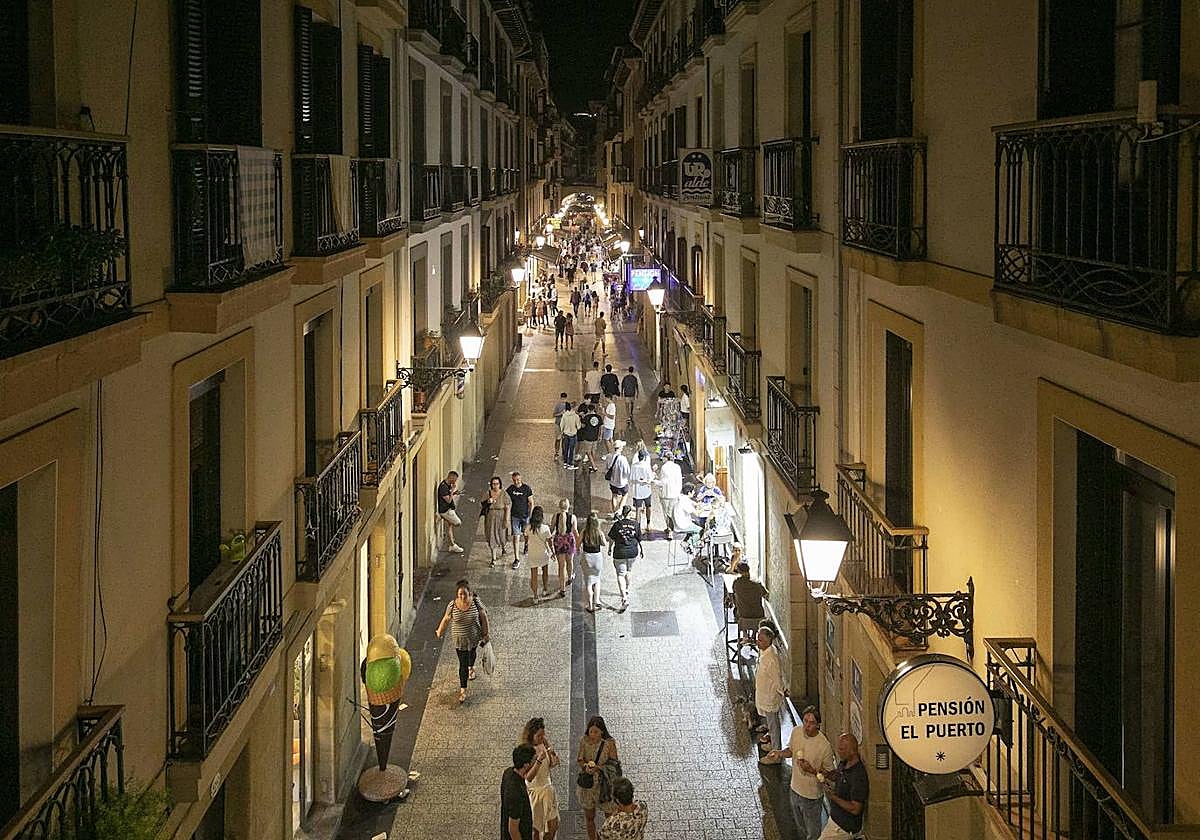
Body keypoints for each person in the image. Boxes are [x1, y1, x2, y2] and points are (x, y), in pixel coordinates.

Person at [765, 706, 837, 840]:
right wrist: (779, 753)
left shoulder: (824, 746)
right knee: (800, 827)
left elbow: (831, 774)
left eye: (811, 723)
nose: (807, 726)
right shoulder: (797, 731)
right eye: (805, 721)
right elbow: (791, 751)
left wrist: (812, 770)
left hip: (811, 796)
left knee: (813, 832)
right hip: (794, 789)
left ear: (818, 725)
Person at [435, 579, 489, 704]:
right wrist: (439, 631)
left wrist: (486, 634)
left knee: (472, 653)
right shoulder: (452, 605)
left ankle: (471, 667)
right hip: (459, 640)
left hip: (473, 637)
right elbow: (446, 619)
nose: (463, 597)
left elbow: (483, 616)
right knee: (462, 663)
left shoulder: (476, 602)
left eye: (465, 594)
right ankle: (463, 690)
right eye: (460, 594)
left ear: (469, 593)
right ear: (457, 594)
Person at [577, 716, 620, 840]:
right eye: (591, 731)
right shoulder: (584, 741)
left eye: (596, 732)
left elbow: (614, 764)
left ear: (602, 731)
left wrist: (599, 768)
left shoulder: (609, 743)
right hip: (588, 786)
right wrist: (585, 766)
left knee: (610, 818)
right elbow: (580, 759)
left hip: (605, 785)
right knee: (589, 817)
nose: (593, 735)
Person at [820, 733, 870, 839]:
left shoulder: (858, 775)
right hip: (835, 819)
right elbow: (837, 775)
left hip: (844, 827)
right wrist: (827, 774)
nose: (838, 751)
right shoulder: (844, 762)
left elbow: (855, 808)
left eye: (841, 749)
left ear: (852, 751)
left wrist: (832, 796)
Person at [521, 718, 561, 840]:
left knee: (553, 826)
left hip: (548, 790)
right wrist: (538, 760)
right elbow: (528, 777)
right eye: (539, 736)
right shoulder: (526, 751)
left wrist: (553, 755)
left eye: (543, 734)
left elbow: (550, 764)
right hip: (536, 793)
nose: (542, 738)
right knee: (537, 830)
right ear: (531, 735)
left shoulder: (543, 743)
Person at [755, 622, 787, 761]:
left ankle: (776, 754)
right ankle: (773, 745)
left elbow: (777, 679)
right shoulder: (765, 652)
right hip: (764, 694)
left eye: (761, 640)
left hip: (770, 696)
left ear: (769, 640)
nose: (758, 642)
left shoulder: (771, 659)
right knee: (770, 723)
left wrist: (783, 691)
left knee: (774, 726)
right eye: (758, 638)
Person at [607, 505, 642, 611]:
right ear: (630, 514)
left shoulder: (617, 525)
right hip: (632, 552)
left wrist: (609, 549)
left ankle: (624, 598)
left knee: (620, 574)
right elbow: (639, 539)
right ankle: (626, 589)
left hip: (620, 553)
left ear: (623, 513)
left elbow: (611, 539)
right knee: (629, 571)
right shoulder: (636, 524)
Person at [730, 557, 769, 647]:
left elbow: (733, 594)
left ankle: (745, 635)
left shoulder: (737, 583)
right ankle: (753, 636)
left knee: (737, 610)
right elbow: (766, 594)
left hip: (744, 617)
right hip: (759, 617)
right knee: (755, 610)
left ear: (739, 571)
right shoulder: (757, 583)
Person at [501, 743, 537, 840]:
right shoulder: (516, 793)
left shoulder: (508, 772)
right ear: (526, 765)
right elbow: (513, 829)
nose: (535, 761)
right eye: (534, 760)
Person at [579, 512, 607, 613]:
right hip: (597, 558)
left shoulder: (584, 532)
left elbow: (578, 544)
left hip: (587, 557)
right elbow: (604, 543)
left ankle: (590, 605)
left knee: (588, 582)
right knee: (597, 579)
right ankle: (597, 601)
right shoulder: (599, 532)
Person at [526, 506, 554, 602]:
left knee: (534, 576)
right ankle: (545, 589)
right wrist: (553, 552)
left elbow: (526, 538)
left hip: (532, 554)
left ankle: (535, 596)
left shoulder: (528, 528)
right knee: (545, 572)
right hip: (543, 554)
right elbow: (550, 542)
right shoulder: (545, 528)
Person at [551, 498, 579, 597]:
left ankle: (562, 589)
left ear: (559, 506)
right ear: (568, 506)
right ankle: (570, 577)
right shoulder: (573, 517)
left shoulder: (556, 516)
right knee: (570, 561)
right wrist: (579, 541)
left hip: (558, 541)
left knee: (561, 566)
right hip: (569, 540)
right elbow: (575, 531)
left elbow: (551, 529)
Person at [482, 476, 512, 567]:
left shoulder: (504, 494)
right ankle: (493, 558)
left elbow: (507, 507)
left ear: (500, 484)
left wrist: (506, 520)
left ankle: (503, 547)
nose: (495, 486)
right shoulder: (488, 493)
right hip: (490, 518)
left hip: (501, 517)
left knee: (502, 536)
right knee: (492, 537)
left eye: (497, 484)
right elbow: (482, 504)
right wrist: (488, 501)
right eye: (493, 484)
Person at [507, 472, 535, 567]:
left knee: (526, 534)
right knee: (516, 536)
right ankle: (517, 559)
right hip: (514, 516)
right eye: (514, 480)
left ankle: (526, 544)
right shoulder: (510, 489)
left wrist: (530, 516)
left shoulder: (526, 489)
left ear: (521, 478)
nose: (516, 482)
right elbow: (505, 498)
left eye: (518, 480)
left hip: (525, 516)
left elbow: (531, 503)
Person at [436, 471, 465, 554]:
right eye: (455, 479)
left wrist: (455, 493)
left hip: (448, 509)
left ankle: (452, 544)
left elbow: (449, 495)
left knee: (449, 527)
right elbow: (448, 500)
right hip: (446, 511)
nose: (455, 482)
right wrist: (452, 490)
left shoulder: (448, 485)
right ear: (451, 477)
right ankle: (444, 517)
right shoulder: (443, 487)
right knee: (457, 523)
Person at [654, 455, 683, 536]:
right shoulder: (677, 467)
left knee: (666, 513)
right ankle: (673, 528)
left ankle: (669, 529)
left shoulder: (664, 467)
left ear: (666, 458)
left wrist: (655, 481)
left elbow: (663, 482)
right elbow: (679, 481)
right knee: (673, 512)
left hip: (666, 494)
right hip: (675, 494)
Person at [628, 450, 654, 530]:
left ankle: (638, 527)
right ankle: (648, 524)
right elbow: (650, 479)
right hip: (646, 490)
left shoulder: (634, 466)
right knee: (648, 506)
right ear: (644, 457)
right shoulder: (647, 466)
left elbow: (631, 479)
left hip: (637, 491)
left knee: (638, 509)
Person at [603, 441, 631, 513]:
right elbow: (627, 472)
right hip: (622, 483)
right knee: (625, 495)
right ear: (620, 448)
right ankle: (620, 510)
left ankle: (615, 512)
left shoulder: (608, 456)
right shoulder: (623, 459)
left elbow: (606, 468)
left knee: (614, 496)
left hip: (612, 482)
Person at [577, 400, 602, 471]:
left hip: (587, 436)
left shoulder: (586, 417)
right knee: (593, 451)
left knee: (588, 452)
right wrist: (600, 435)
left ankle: (594, 466)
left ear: (588, 409)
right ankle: (592, 465)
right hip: (595, 436)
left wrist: (581, 418)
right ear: (594, 409)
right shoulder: (599, 417)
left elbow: (582, 426)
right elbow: (601, 427)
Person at [559, 401, 582, 468]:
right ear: (575, 407)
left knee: (565, 448)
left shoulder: (564, 415)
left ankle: (565, 462)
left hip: (566, 434)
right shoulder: (576, 416)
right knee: (571, 449)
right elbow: (578, 427)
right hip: (573, 435)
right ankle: (570, 463)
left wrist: (562, 432)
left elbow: (561, 425)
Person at [552, 392, 569, 461]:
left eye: (564, 398)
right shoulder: (558, 405)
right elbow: (554, 415)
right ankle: (556, 453)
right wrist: (560, 413)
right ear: (560, 398)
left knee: (565, 440)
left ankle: (564, 453)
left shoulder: (568, 405)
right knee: (558, 439)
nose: (563, 400)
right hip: (558, 424)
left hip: (565, 425)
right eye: (562, 398)